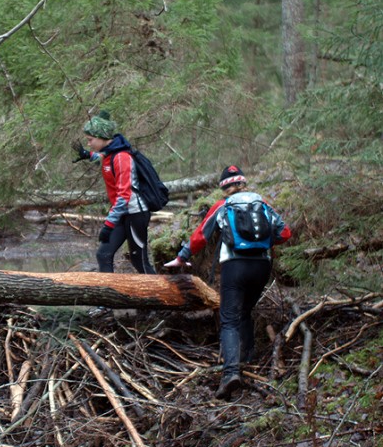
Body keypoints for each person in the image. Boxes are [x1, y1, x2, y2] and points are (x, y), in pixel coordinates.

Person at [163, 165, 291, 400]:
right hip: (262, 266)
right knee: (245, 311)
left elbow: (201, 235)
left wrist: (181, 257)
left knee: (229, 318)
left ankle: (231, 373)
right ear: (243, 184)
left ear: (224, 187)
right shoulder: (262, 204)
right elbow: (285, 234)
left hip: (235, 266)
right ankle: (248, 358)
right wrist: (262, 245)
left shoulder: (223, 206)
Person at [73, 111, 157, 280]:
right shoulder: (110, 152)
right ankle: (106, 304)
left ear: (102, 137)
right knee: (103, 255)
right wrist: (87, 155)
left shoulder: (121, 157)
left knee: (139, 260)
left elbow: (124, 196)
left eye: (90, 140)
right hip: (122, 213)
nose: (88, 143)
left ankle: (160, 301)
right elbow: (101, 156)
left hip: (135, 213)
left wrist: (109, 224)